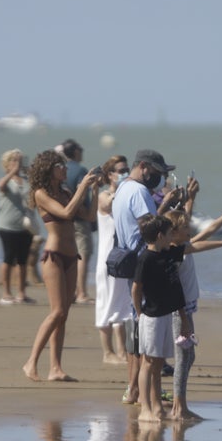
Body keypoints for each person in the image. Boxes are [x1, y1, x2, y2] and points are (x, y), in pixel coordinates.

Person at [162, 199, 222, 419]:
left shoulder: (181, 247)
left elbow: (209, 232)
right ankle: (179, 407)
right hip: (178, 311)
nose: (189, 230)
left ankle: (178, 402)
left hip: (186, 309)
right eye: (184, 228)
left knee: (188, 356)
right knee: (183, 357)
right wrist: (183, 318)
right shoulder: (173, 253)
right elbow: (173, 289)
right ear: (173, 233)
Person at [21, 151, 100, 382]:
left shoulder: (65, 192)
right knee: (56, 312)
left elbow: (89, 215)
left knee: (64, 314)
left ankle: (55, 368)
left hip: (70, 256)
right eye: (60, 166)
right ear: (48, 169)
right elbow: (66, 213)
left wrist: (94, 189)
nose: (65, 169)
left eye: (64, 165)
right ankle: (30, 362)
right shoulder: (41, 194)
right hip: (54, 256)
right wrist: (82, 186)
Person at [111, 149, 181, 404]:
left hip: (131, 261)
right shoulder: (139, 192)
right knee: (147, 334)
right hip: (145, 261)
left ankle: (135, 389)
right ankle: (141, 392)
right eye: (157, 173)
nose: (159, 178)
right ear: (143, 166)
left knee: (137, 330)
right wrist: (170, 207)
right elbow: (151, 229)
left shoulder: (122, 188)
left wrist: (163, 205)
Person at [131, 215, 190, 422]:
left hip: (165, 315)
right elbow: (136, 288)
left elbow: (194, 247)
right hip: (151, 317)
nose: (171, 237)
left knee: (157, 365)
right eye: (168, 234)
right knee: (147, 363)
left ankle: (157, 407)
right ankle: (145, 408)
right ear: (159, 236)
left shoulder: (166, 253)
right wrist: (139, 313)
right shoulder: (145, 258)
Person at [94, 155, 132, 364]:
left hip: (123, 259)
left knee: (123, 304)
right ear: (110, 174)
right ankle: (107, 352)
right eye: (121, 169)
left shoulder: (125, 195)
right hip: (107, 260)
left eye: (127, 169)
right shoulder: (104, 195)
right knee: (106, 303)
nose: (125, 172)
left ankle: (122, 351)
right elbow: (109, 205)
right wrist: (122, 187)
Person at [0, 149, 35, 305]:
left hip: (25, 226)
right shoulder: (6, 180)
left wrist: (28, 173)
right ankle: (6, 293)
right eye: (14, 160)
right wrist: (12, 172)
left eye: (20, 160)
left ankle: (21, 293)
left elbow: (33, 196)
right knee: (8, 258)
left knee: (23, 260)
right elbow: (1, 186)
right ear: (7, 163)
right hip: (7, 225)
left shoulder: (26, 180)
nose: (18, 163)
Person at [59, 139, 96, 304]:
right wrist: (85, 212)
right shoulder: (80, 170)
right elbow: (81, 192)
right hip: (80, 219)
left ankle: (71, 291)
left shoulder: (62, 170)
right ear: (75, 152)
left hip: (63, 219)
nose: (82, 152)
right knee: (83, 255)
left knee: (70, 256)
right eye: (80, 149)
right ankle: (81, 292)